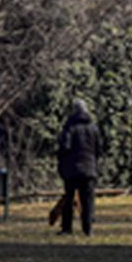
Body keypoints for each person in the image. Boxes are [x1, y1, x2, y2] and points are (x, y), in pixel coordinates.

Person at [57, 97, 101, 236]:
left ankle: (67, 228)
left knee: (69, 198)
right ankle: (88, 229)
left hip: (72, 169)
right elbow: (99, 148)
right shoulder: (93, 127)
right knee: (88, 200)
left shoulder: (70, 127)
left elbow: (65, 147)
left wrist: (61, 159)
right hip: (89, 169)